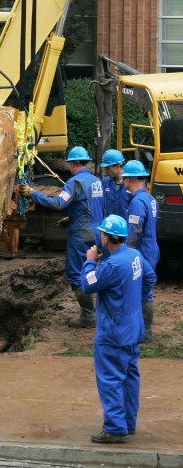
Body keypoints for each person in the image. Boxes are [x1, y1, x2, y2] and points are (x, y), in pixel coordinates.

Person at [81, 215, 156, 444]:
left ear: (105, 238)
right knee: (130, 376)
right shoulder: (134, 255)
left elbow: (87, 284)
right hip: (133, 328)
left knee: (111, 378)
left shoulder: (112, 265)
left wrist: (90, 261)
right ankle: (128, 423)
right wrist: (135, 302)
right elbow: (150, 277)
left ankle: (115, 428)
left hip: (113, 332)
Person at [20, 146, 104, 328]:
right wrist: (71, 217)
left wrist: (34, 194)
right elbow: (92, 206)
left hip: (81, 234)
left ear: (72, 164)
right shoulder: (97, 181)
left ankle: (89, 316)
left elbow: (59, 203)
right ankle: (100, 312)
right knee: (92, 271)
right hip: (97, 232)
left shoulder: (74, 183)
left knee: (76, 274)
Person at [122, 160, 160, 342]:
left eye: (124, 179)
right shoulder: (150, 198)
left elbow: (134, 230)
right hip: (152, 248)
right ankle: (143, 329)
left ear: (130, 179)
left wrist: (126, 252)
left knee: (142, 291)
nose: (123, 182)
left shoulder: (137, 202)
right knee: (144, 289)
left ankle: (145, 332)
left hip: (142, 251)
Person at [100, 149, 129, 220]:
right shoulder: (105, 182)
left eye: (108, 168)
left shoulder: (131, 184)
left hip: (126, 228)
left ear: (118, 166)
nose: (106, 171)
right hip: (110, 227)